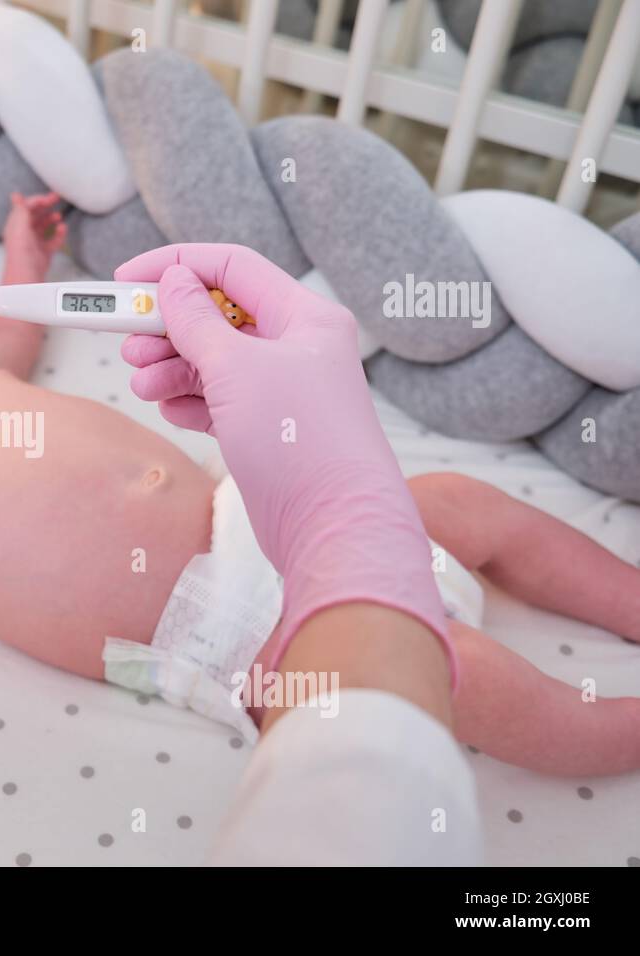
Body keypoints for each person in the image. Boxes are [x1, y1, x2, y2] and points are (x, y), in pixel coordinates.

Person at [116, 243, 482, 865]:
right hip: (218, 627)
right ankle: (618, 728)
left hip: (241, 497)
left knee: (456, 498)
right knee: (448, 668)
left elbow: (3, 327)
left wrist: (24, 250)